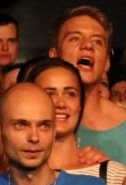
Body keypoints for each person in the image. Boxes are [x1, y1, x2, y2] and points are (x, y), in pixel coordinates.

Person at [49, 6, 126, 165]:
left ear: (107, 62)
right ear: (54, 56)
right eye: (75, 38)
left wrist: (111, 171)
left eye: (97, 41)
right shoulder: (34, 120)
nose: (88, 46)